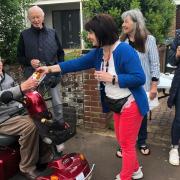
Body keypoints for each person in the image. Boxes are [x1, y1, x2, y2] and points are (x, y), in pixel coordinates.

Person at [37, 13, 149, 180]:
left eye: (90, 32)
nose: (88, 36)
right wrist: (49, 69)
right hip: (117, 104)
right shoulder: (99, 52)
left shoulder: (124, 50)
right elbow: (75, 63)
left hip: (131, 104)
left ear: (101, 32)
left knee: (126, 144)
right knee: (123, 141)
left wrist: (112, 78)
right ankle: (135, 171)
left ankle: (126, 176)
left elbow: (140, 78)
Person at [115, 9, 160, 158]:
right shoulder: (122, 42)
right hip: (126, 87)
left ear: (136, 22)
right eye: (123, 22)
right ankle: (125, 144)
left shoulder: (149, 40)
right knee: (125, 115)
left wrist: (154, 85)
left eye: (126, 21)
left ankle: (141, 141)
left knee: (141, 114)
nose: (123, 24)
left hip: (143, 86)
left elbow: (154, 64)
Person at [0, 60, 53, 179]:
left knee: (42, 116)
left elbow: (17, 93)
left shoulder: (6, 76)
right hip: (3, 118)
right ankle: (26, 167)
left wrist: (28, 88)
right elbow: (8, 94)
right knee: (30, 125)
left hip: (15, 112)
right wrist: (21, 87)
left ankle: (44, 157)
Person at [17, 6, 65, 134]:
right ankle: (40, 132)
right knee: (35, 106)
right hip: (33, 78)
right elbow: (19, 57)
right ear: (29, 18)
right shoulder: (24, 35)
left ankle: (59, 130)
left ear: (43, 17)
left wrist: (60, 72)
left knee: (57, 105)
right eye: (33, 17)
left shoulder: (53, 33)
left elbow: (61, 53)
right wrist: (29, 62)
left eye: (38, 16)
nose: (36, 20)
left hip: (53, 75)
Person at [167, 30, 180, 166]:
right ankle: (174, 147)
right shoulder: (179, 36)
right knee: (179, 118)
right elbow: (171, 60)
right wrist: (176, 55)